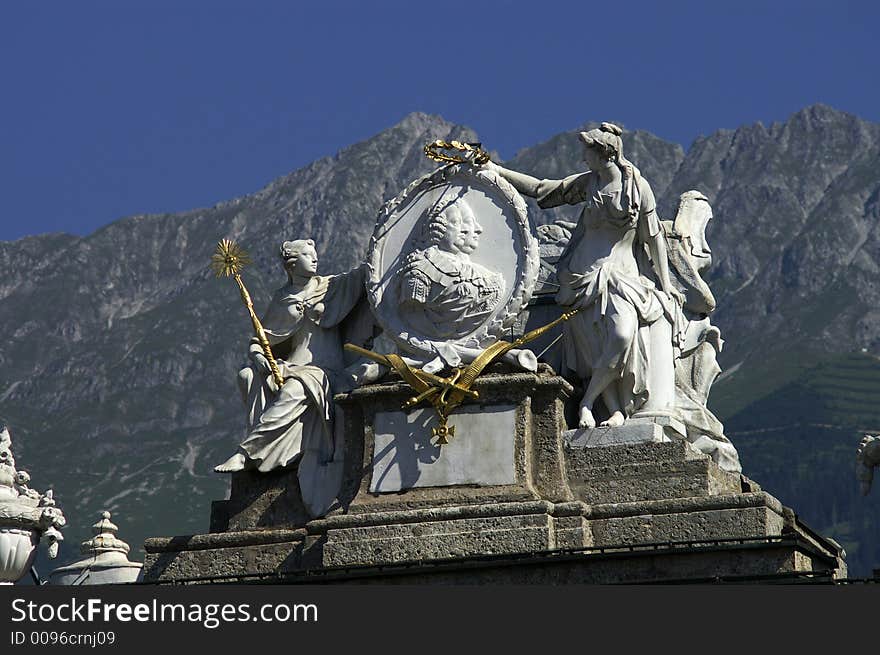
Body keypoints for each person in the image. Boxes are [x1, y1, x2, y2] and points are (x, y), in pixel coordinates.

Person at [487, 123, 681, 428]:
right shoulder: (588, 183)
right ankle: (613, 409)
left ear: (604, 154)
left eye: (586, 152)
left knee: (621, 336)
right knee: (595, 348)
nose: (582, 159)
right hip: (581, 277)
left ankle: (589, 401)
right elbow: (543, 189)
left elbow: (653, 236)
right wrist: (496, 170)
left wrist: (666, 285)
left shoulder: (636, 188)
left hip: (621, 277)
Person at [215, 238, 369, 473]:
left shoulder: (332, 287)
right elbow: (261, 340)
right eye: (308, 255)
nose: (315, 258)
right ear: (292, 264)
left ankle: (245, 453)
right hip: (290, 366)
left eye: (315, 253)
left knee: (293, 389)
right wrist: (258, 357)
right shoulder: (282, 299)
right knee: (247, 375)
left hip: (324, 369)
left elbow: (367, 272)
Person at [397, 195, 505, 340]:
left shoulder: (484, 276)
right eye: (458, 222)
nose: (475, 229)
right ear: (438, 227)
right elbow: (411, 312)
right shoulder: (419, 271)